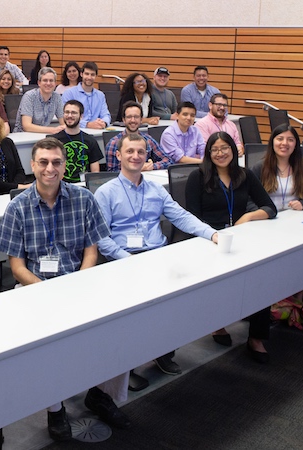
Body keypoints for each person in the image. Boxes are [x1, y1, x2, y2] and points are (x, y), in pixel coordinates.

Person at [0, 137, 128, 441]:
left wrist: (79, 284)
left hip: (79, 281)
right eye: (43, 162)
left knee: (120, 321)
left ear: (65, 165)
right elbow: (16, 267)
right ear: (33, 165)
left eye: (56, 162)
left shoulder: (83, 199)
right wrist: (47, 291)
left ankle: (100, 393)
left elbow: (91, 252)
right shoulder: (18, 208)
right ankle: (55, 409)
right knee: (48, 341)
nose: (50, 168)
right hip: (35, 286)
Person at [96, 132, 218, 377]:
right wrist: (126, 259)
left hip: (157, 255)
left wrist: (212, 234)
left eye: (141, 152)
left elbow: (180, 216)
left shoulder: (156, 189)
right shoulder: (106, 192)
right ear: (119, 155)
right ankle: (125, 368)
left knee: (172, 308)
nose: (136, 156)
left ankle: (163, 353)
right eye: (130, 151)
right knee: (130, 319)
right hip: (124, 260)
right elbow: (100, 238)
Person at [185, 132, 277, 362]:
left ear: (233, 150)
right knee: (219, 283)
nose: (220, 153)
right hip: (208, 240)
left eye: (225, 148)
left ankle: (256, 337)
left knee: (261, 276)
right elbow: (192, 219)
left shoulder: (244, 176)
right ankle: (218, 325)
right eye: (214, 149)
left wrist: (248, 217)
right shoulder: (197, 178)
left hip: (240, 237)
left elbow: (270, 207)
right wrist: (214, 234)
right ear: (208, 153)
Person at [249, 124, 303, 212]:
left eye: (290, 140)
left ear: (295, 144)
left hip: (294, 216)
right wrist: (262, 213)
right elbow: (248, 200)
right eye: (280, 139)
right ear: (272, 142)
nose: (285, 143)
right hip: (267, 218)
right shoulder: (259, 167)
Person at [105, 102, 173, 172]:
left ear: (141, 120)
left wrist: (152, 166)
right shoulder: (113, 143)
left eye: (136, 117)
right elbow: (112, 173)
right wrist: (136, 168)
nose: (133, 120)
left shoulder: (148, 140)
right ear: (123, 120)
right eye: (129, 117)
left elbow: (168, 161)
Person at [50, 100, 102, 182]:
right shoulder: (53, 141)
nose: (69, 115)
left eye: (73, 113)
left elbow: (95, 172)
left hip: (83, 185)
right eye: (67, 112)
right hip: (60, 186)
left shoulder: (90, 140)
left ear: (81, 116)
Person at [60, 62, 111, 129]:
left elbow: (106, 114)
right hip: (76, 131)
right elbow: (66, 116)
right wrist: (87, 124)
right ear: (81, 74)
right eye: (87, 74)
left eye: (92, 75)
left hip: (97, 131)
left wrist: (104, 122)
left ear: (96, 76)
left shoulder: (100, 95)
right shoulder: (69, 93)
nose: (89, 77)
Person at [15, 67, 64, 133]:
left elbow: (63, 122)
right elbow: (27, 126)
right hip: (23, 136)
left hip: (42, 136)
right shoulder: (29, 96)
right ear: (39, 83)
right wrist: (53, 130)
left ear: (55, 83)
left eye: (51, 80)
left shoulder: (57, 97)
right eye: (45, 80)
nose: (48, 83)